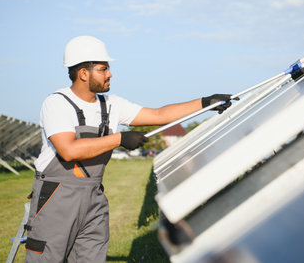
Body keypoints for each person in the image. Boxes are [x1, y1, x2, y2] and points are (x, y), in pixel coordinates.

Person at [24, 35, 233, 262]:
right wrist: (119, 138)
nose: (110, 74)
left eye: (108, 68)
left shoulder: (111, 104)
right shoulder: (57, 103)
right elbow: (69, 150)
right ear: (83, 73)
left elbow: (158, 115)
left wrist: (204, 103)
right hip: (57, 196)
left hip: (93, 196)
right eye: (103, 69)